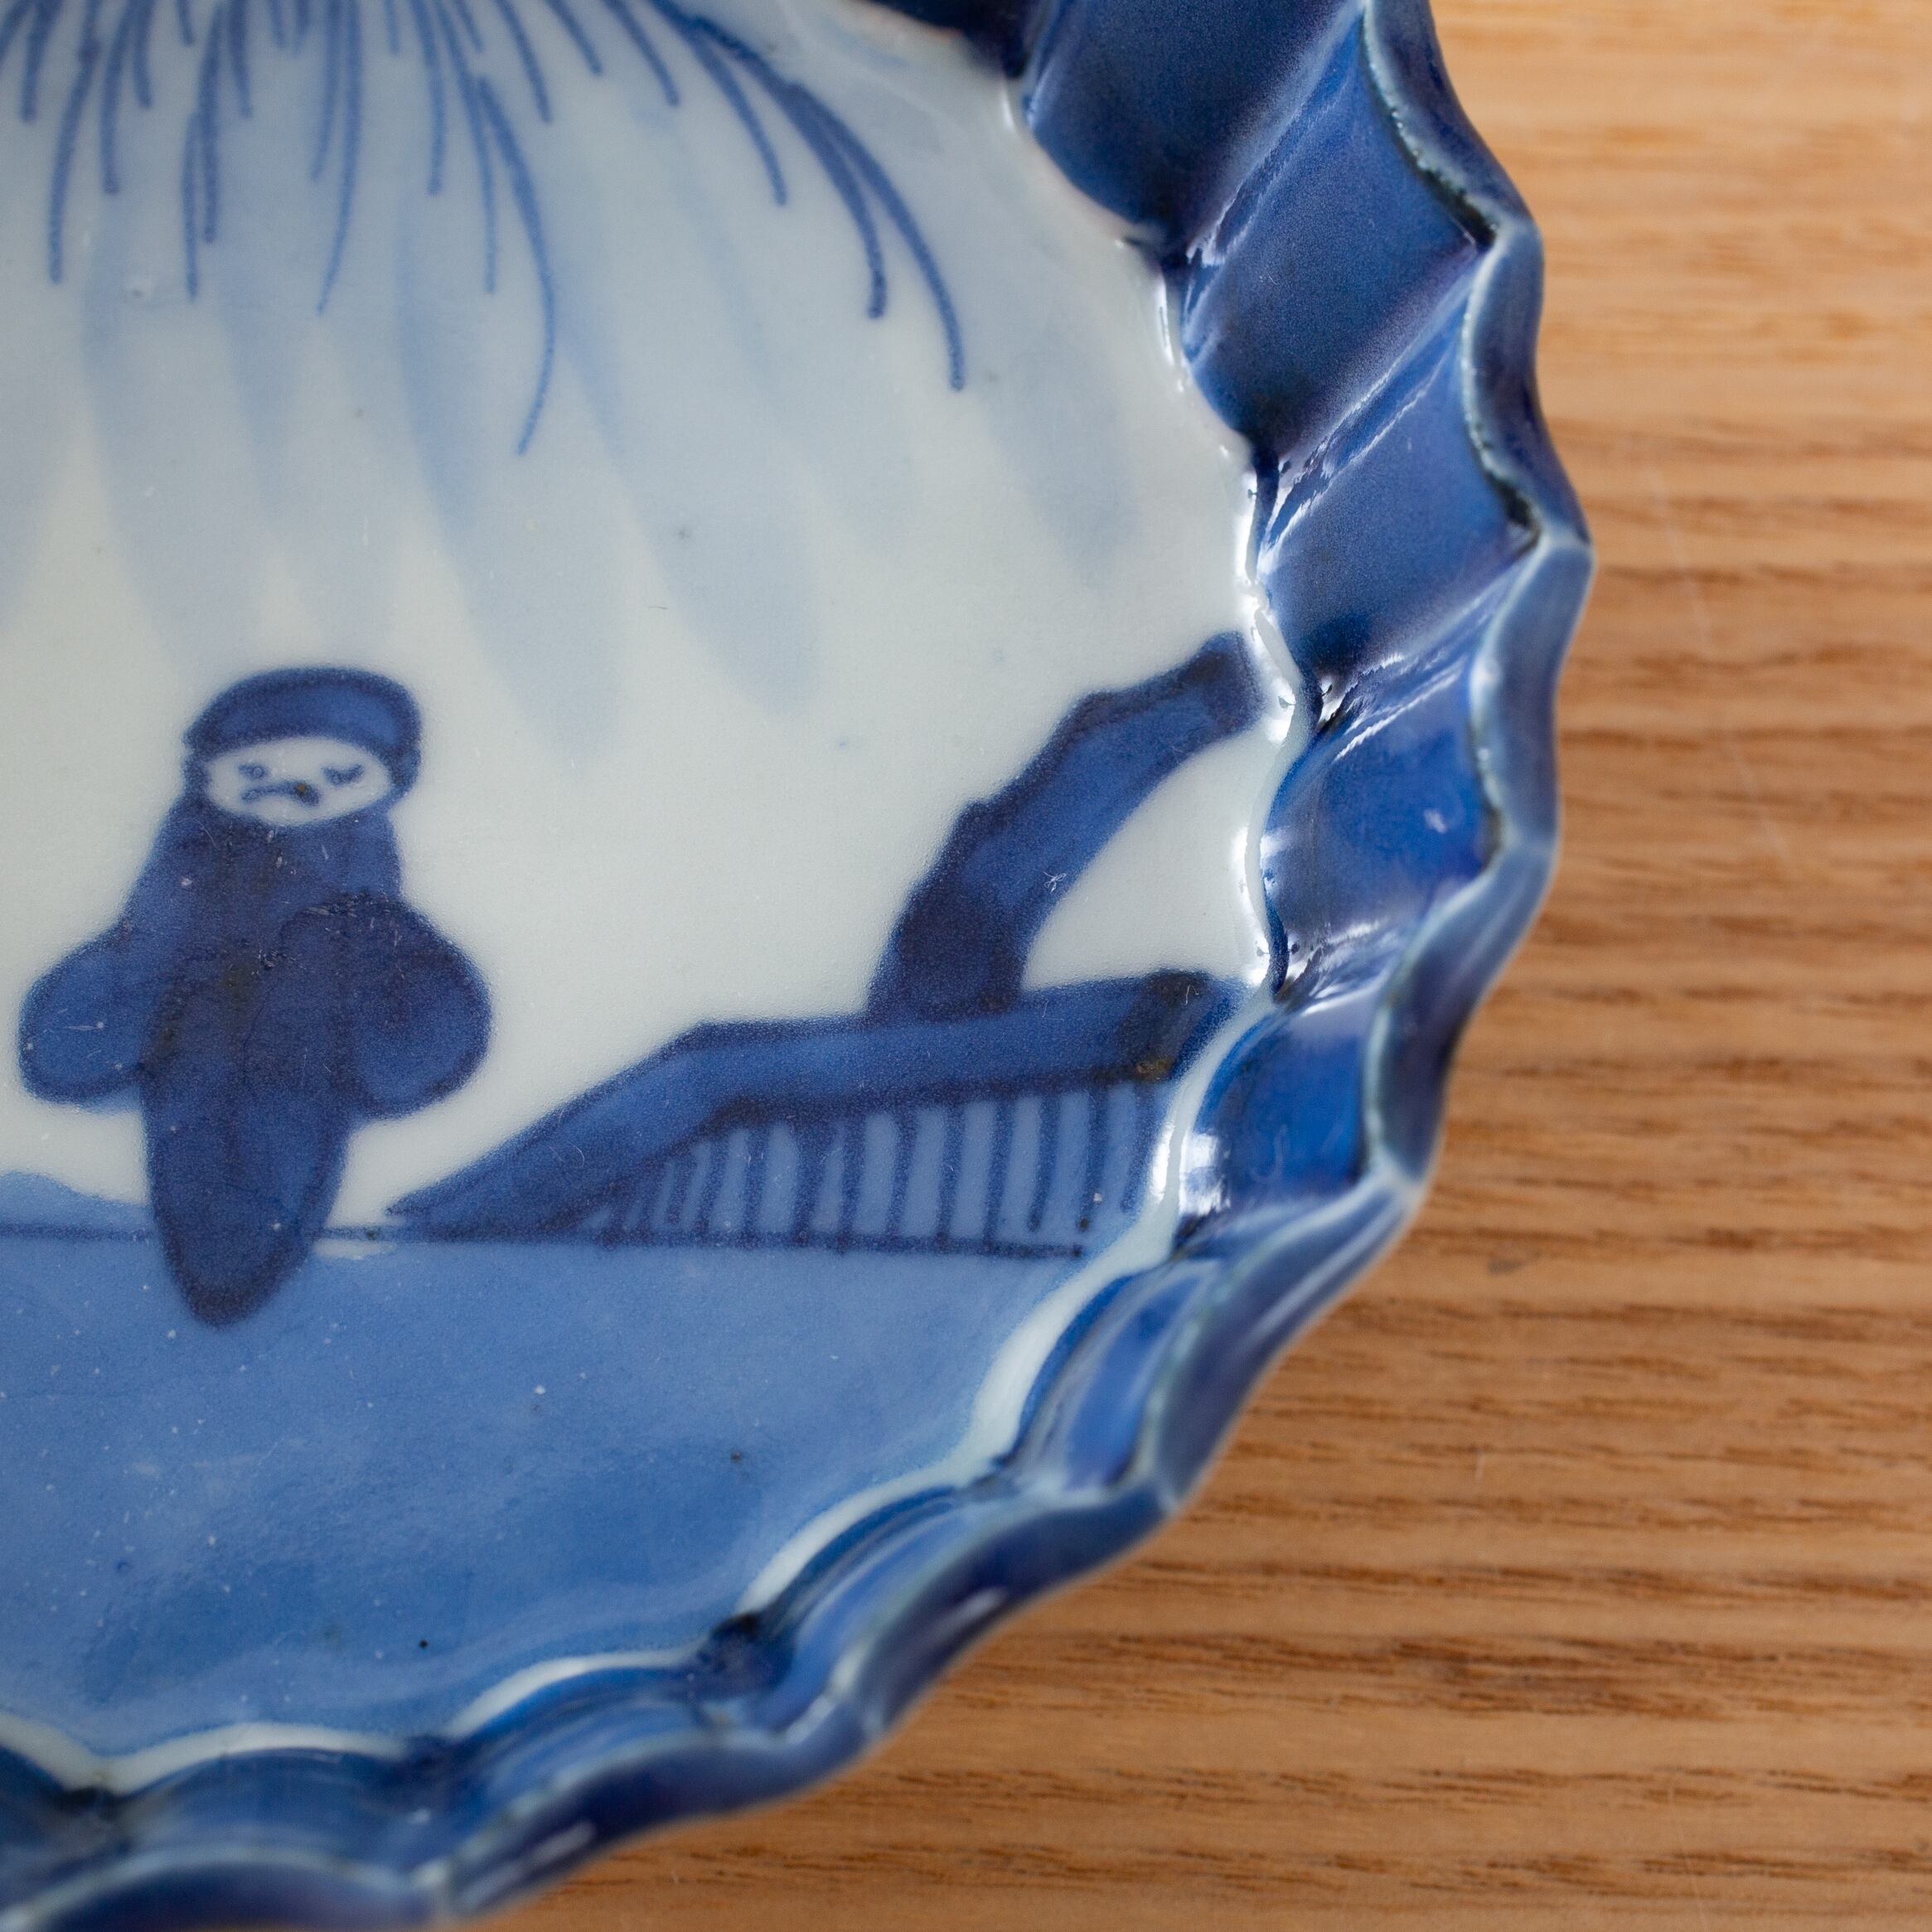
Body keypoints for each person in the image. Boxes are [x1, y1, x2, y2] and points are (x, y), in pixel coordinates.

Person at [18, 667, 489, 1323]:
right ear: (207, 776)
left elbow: (419, 1048)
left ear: (393, 777)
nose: (295, 793)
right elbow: (70, 1045)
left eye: (339, 775)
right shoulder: (181, 887)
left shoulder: (364, 910)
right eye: (255, 774)